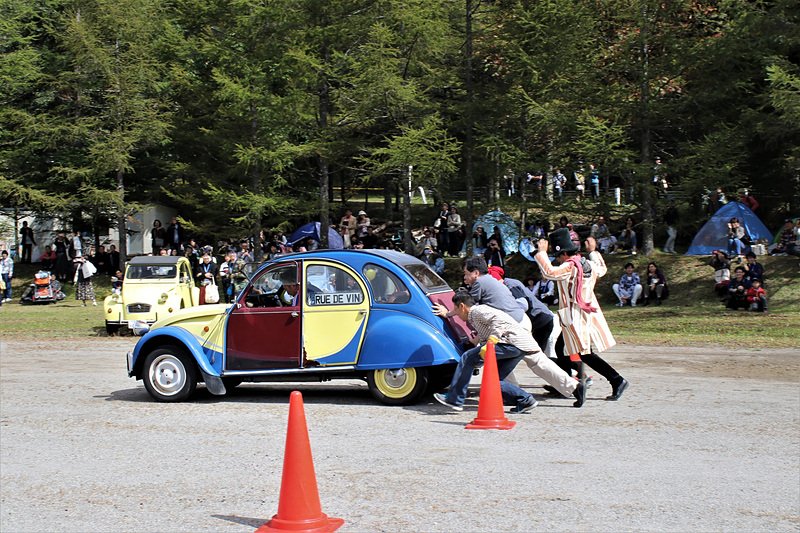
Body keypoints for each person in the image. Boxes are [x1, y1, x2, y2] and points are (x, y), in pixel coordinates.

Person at [534, 228, 629, 401]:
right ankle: (565, 384)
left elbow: (550, 273)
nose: (558, 260)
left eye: (558, 257)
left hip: (575, 316)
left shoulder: (570, 267)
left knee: (584, 353)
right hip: (582, 313)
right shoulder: (586, 264)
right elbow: (602, 268)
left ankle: (616, 380)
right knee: (561, 349)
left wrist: (541, 252)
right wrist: (593, 251)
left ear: (563, 252)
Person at [431, 291, 544, 413]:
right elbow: (485, 323)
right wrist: (447, 314)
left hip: (510, 343)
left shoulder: (478, 311)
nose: (456, 314)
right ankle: (525, 400)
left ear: (462, 306)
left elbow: (498, 321)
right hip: (521, 346)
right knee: (494, 379)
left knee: (467, 358)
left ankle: (455, 399)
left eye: (456, 309)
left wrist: (492, 340)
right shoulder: (475, 312)